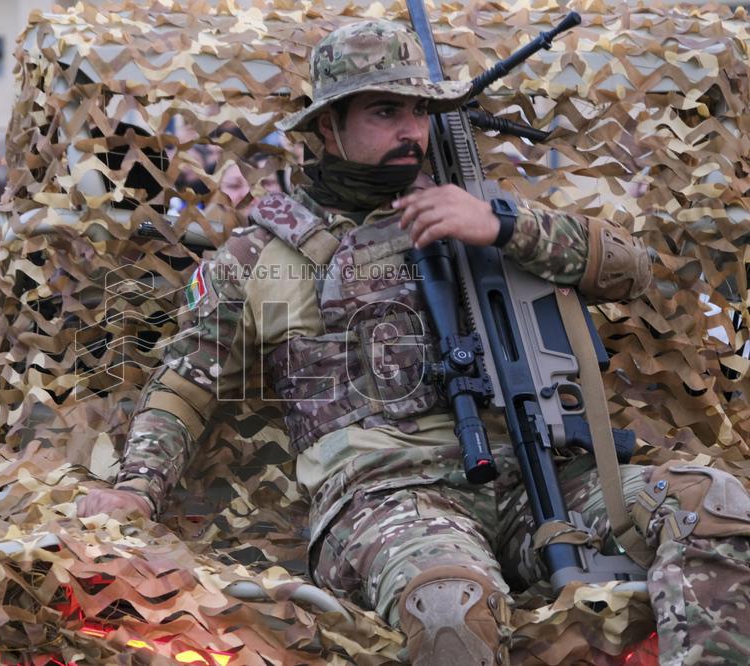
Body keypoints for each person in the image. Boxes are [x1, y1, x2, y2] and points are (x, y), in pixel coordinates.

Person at [77, 20, 750, 665]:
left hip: (540, 479)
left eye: (419, 112)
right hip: (386, 500)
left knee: (715, 505)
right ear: (328, 129)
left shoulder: (479, 209)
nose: (409, 130)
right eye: (383, 111)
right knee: (449, 609)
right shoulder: (261, 253)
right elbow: (187, 384)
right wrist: (138, 487)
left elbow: (633, 271)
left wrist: (505, 227)